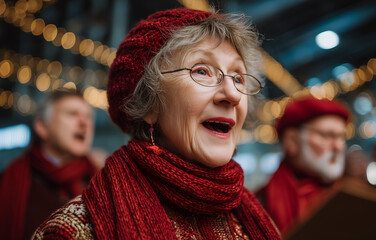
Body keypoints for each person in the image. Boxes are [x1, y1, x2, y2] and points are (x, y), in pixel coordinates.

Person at [33, 8, 279, 239]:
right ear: (149, 104)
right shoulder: (72, 231)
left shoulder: (251, 216)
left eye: (238, 77)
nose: (234, 95)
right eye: (202, 71)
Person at [0, 89, 96, 240]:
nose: (85, 123)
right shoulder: (8, 182)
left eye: (89, 117)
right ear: (42, 127)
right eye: (72, 114)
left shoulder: (103, 181)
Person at [257, 96, 350, 236]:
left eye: (341, 137)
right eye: (327, 135)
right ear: (292, 140)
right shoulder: (258, 205)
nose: (338, 146)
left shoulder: (352, 199)